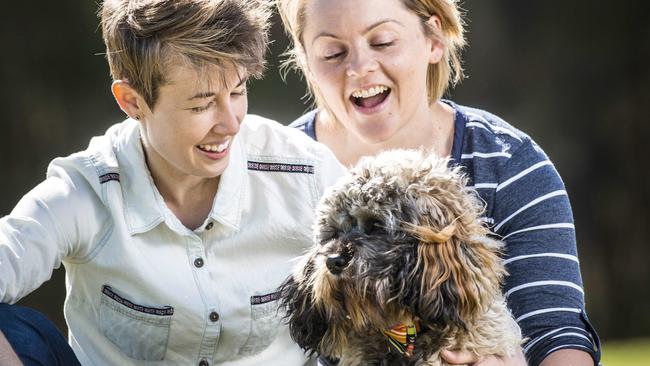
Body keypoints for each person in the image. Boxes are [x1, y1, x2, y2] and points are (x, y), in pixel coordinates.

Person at [0, 0, 344, 365]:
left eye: (238, 92)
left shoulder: (306, 174)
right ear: (132, 101)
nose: (230, 123)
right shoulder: (86, 190)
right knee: (17, 331)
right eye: (201, 105)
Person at [275, 0, 601, 365]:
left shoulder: (508, 163)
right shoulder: (269, 173)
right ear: (304, 59)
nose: (359, 68)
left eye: (382, 42)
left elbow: (555, 332)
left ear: (435, 39)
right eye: (333, 52)